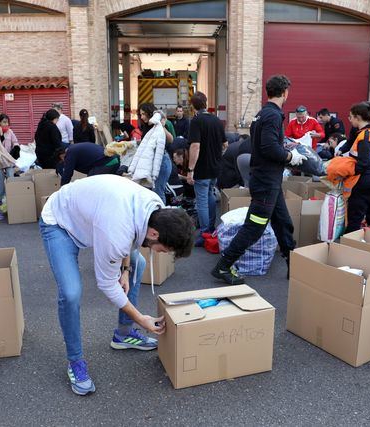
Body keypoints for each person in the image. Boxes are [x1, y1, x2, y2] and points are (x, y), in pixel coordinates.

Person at [39, 174, 194, 395]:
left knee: (137, 264)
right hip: (60, 222)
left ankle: (124, 334)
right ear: (154, 233)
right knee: (71, 292)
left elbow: (133, 236)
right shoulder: (115, 233)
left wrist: (125, 268)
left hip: (94, 215)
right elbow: (107, 284)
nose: (162, 254)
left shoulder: (155, 206)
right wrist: (142, 319)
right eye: (165, 249)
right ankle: (75, 361)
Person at [212, 75, 304, 285]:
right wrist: (291, 157)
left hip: (269, 182)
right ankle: (223, 266)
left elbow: (264, 145)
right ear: (285, 93)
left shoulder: (262, 114)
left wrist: (284, 150)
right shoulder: (272, 116)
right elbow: (269, 148)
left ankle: (293, 264)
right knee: (254, 227)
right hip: (265, 183)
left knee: (283, 223)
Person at [186, 92, 227, 246]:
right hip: (215, 167)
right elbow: (225, 144)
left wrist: (190, 170)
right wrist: (216, 155)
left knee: (202, 200)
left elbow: (195, 146)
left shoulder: (196, 121)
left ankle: (205, 233)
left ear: (192, 106)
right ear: (205, 103)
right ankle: (210, 228)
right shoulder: (216, 120)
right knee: (209, 194)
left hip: (202, 169)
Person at [345, 102, 370, 233]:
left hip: (365, 181)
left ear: (358, 117)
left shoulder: (364, 137)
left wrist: (346, 171)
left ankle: (350, 244)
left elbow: (364, 163)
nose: (349, 120)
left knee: (355, 216)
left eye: (350, 117)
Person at [132, 104, 172, 203]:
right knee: (151, 192)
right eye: (140, 114)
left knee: (158, 192)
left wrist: (161, 125)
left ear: (150, 113)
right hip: (153, 162)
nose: (142, 117)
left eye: (144, 114)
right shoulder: (145, 126)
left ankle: (163, 217)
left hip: (161, 161)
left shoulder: (158, 124)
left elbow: (171, 139)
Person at [0, 114, 19, 205]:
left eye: (7, 122)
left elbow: (15, 141)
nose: (6, 124)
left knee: (11, 177)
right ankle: (2, 199)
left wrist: (16, 148)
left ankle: (12, 196)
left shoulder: (10, 132)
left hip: (9, 160)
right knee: (0, 181)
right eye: (4, 122)